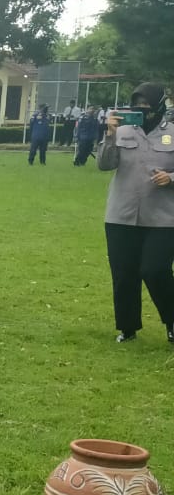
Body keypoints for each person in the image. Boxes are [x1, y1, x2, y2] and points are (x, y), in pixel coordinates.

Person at [98, 83, 174, 344]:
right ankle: (127, 327)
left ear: (160, 104)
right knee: (123, 272)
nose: (142, 109)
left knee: (155, 270)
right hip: (121, 214)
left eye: (147, 104)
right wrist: (109, 134)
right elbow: (104, 165)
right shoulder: (122, 131)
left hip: (162, 218)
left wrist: (171, 177)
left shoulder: (173, 132)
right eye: (137, 104)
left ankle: (172, 321)